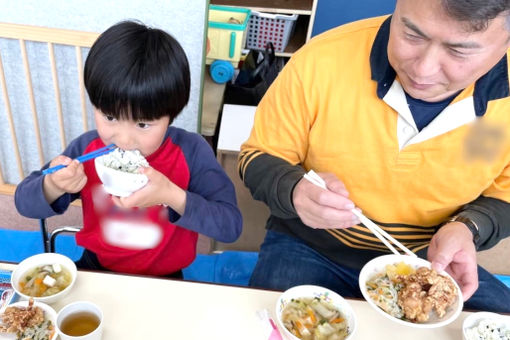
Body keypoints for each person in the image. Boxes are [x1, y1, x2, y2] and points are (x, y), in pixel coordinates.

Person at [239, 0, 510, 312]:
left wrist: (468, 227)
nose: (423, 68)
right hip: (311, 244)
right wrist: (293, 188)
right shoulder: (322, 59)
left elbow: (504, 199)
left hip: (427, 258)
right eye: (412, 34)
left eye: (458, 51)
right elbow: (257, 156)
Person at [15, 20, 242, 278]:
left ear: (171, 115)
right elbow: (24, 203)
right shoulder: (87, 148)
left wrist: (170, 195)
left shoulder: (191, 152)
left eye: (143, 124)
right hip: (97, 267)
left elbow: (230, 226)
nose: (123, 139)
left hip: (166, 278)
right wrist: (54, 185)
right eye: (109, 117)